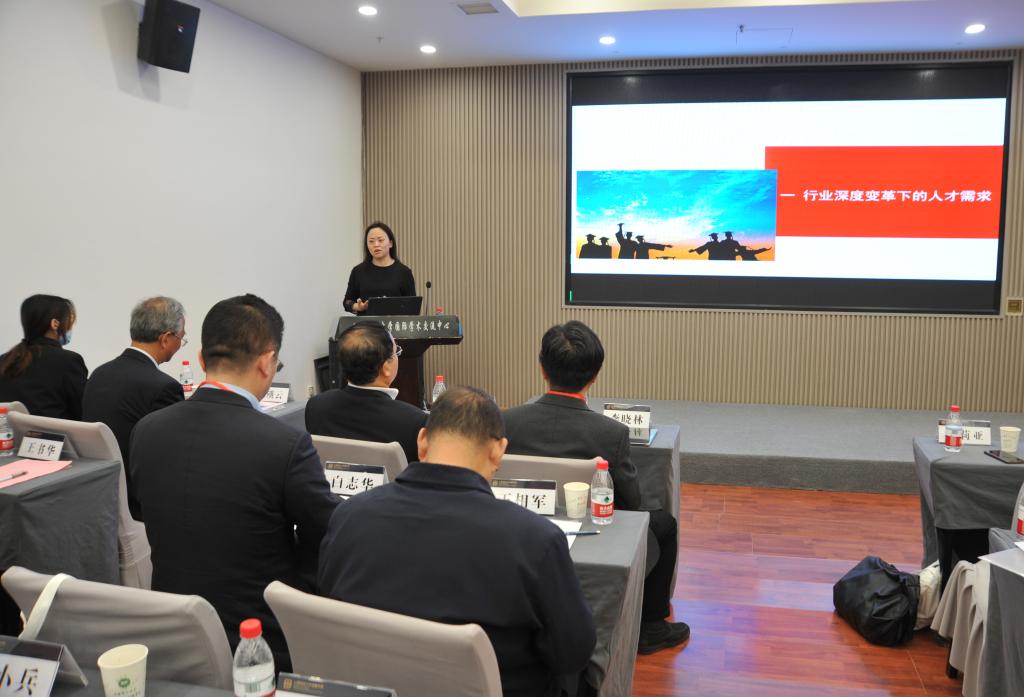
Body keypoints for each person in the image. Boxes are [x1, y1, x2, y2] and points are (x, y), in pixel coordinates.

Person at [318, 386, 596, 697]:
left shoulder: (348, 517)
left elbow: (332, 612)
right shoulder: (535, 540)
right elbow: (572, 653)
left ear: (422, 442)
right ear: (498, 451)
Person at [130, 294, 337, 670]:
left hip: (173, 633)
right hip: (264, 641)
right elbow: (326, 534)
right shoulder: (284, 444)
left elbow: (143, 510)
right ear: (267, 362)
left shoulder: (146, 430)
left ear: (201, 360)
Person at [503, 321, 688, 655]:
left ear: (542, 369)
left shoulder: (507, 421)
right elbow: (631, 503)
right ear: (595, 376)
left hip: (520, 525)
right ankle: (651, 627)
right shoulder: (610, 432)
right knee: (663, 524)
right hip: (591, 530)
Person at [82, 297, 187, 519]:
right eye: (181, 338)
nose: (181, 344)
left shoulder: (99, 374)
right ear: (166, 338)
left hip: (100, 493)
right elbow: (175, 456)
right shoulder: (163, 387)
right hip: (142, 505)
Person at [305, 320, 426, 464]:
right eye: (396, 352)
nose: (397, 356)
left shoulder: (316, 407)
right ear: (386, 367)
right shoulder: (415, 422)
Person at [0, 294, 86, 419]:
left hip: (11, 432)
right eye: (70, 322)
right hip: (55, 431)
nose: (71, 327)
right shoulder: (69, 361)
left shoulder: (5, 360)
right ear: (55, 324)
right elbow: (84, 411)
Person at [343, 222, 416, 315]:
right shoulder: (358, 271)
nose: (376, 245)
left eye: (380, 240)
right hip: (367, 323)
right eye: (371, 241)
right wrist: (359, 307)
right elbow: (347, 302)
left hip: (394, 323)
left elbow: (412, 307)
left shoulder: (404, 272)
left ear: (390, 243)